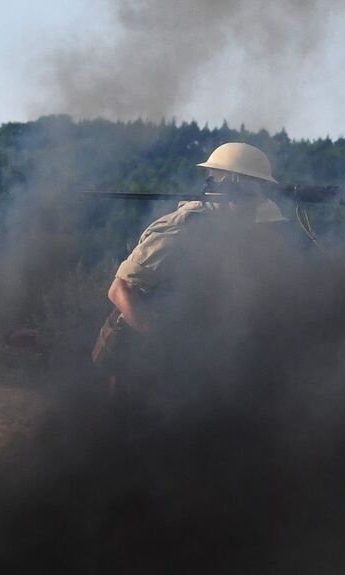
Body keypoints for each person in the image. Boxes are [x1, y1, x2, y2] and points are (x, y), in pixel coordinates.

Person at [92, 142, 280, 396]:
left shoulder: (233, 230)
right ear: (229, 192)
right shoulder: (181, 228)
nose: (254, 207)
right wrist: (161, 343)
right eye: (249, 197)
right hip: (135, 350)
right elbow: (120, 290)